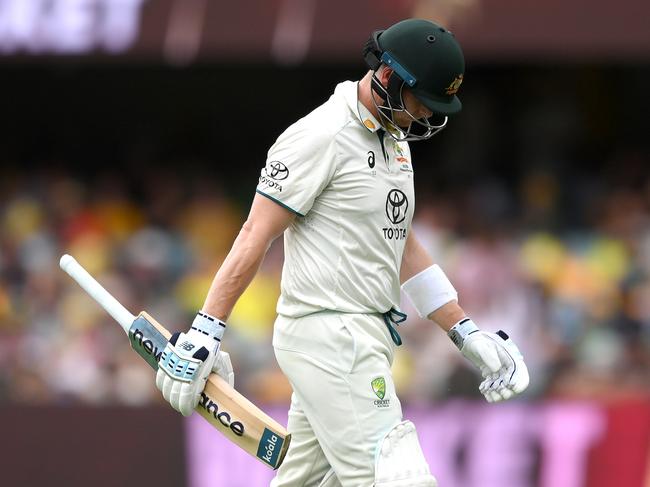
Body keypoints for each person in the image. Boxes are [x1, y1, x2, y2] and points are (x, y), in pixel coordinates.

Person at [155, 18, 530, 487]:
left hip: (361, 336)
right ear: (390, 77)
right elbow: (255, 233)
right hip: (332, 335)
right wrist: (206, 330)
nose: (424, 118)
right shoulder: (321, 135)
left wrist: (464, 330)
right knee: (395, 477)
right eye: (422, 103)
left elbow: (399, 241)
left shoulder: (393, 140)